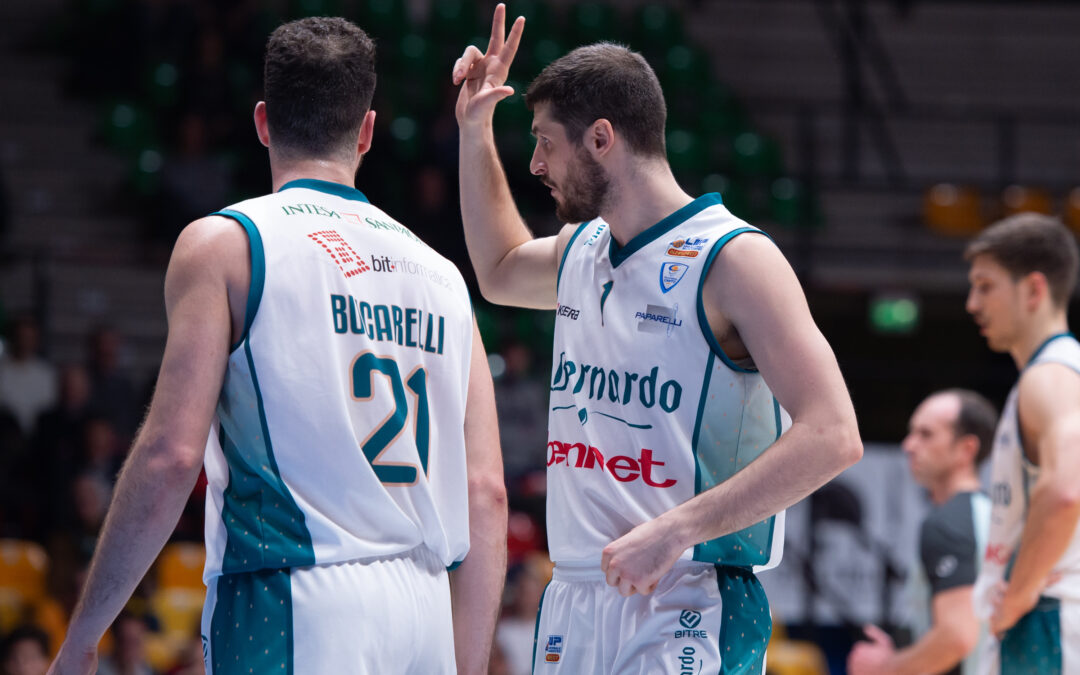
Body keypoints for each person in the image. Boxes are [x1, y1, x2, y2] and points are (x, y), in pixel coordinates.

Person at [48, 16, 506, 675]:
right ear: (367, 131)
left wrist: (84, 636)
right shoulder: (444, 277)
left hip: (295, 594)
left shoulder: (226, 245)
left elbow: (172, 455)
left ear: (263, 121)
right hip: (424, 606)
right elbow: (486, 492)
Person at [452, 6, 862, 672]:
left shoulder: (734, 258)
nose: (535, 163)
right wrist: (474, 130)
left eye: (546, 142)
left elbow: (834, 434)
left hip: (687, 593)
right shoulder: (581, 248)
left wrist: (678, 530)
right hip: (575, 596)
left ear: (601, 138)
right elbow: (498, 271)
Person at [965, 213, 1080, 673]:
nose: (972, 303)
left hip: (1047, 622)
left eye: (985, 286)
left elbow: (1066, 490)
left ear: (1033, 289)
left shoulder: (1049, 377)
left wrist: (1018, 596)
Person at [848, 389, 997, 675]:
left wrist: (886, 667)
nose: (908, 445)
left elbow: (957, 636)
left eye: (926, 434)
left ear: (966, 449)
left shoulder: (948, 523)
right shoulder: (990, 515)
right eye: (912, 433)